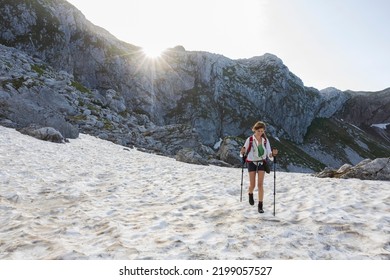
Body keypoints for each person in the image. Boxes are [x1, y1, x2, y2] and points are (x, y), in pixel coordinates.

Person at [240, 121, 278, 213]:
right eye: (259, 131)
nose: (260, 133)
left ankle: (260, 206)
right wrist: (242, 153)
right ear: (255, 130)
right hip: (251, 162)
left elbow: (269, 154)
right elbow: (242, 153)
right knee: (252, 185)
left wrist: (273, 154)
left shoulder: (265, 141)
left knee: (260, 184)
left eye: (262, 131)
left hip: (261, 162)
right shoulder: (249, 140)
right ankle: (250, 193)